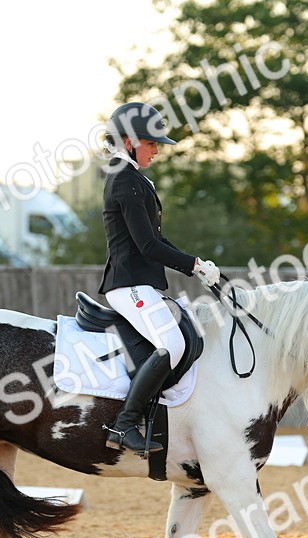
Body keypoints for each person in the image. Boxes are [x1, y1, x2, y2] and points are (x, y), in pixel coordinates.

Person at [98, 102, 221, 455]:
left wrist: (196, 265)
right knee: (174, 345)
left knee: (185, 338)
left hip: (142, 283)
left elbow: (158, 239)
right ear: (129, 141)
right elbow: (147, 244)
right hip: (128, 284)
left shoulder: (136, 177)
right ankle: (124, 424)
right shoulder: (124, 179)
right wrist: (192, 264)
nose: (156, 150)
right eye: (151, 143)